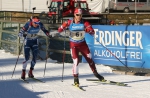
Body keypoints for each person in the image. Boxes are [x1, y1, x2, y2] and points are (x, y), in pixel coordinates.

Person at [57, 8, 104, 85]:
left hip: (82, 44)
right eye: (77, 15)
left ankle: (96, 73)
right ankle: (76, 78)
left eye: (80, 15)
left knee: (90, 58)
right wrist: (62, 28)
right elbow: (60, 29)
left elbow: (92, 31)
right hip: (74, 45)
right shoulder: (70, 21)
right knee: (76, 61)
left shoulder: (84, 22)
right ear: (74, 15)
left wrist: (88, 30)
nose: (79, 16)